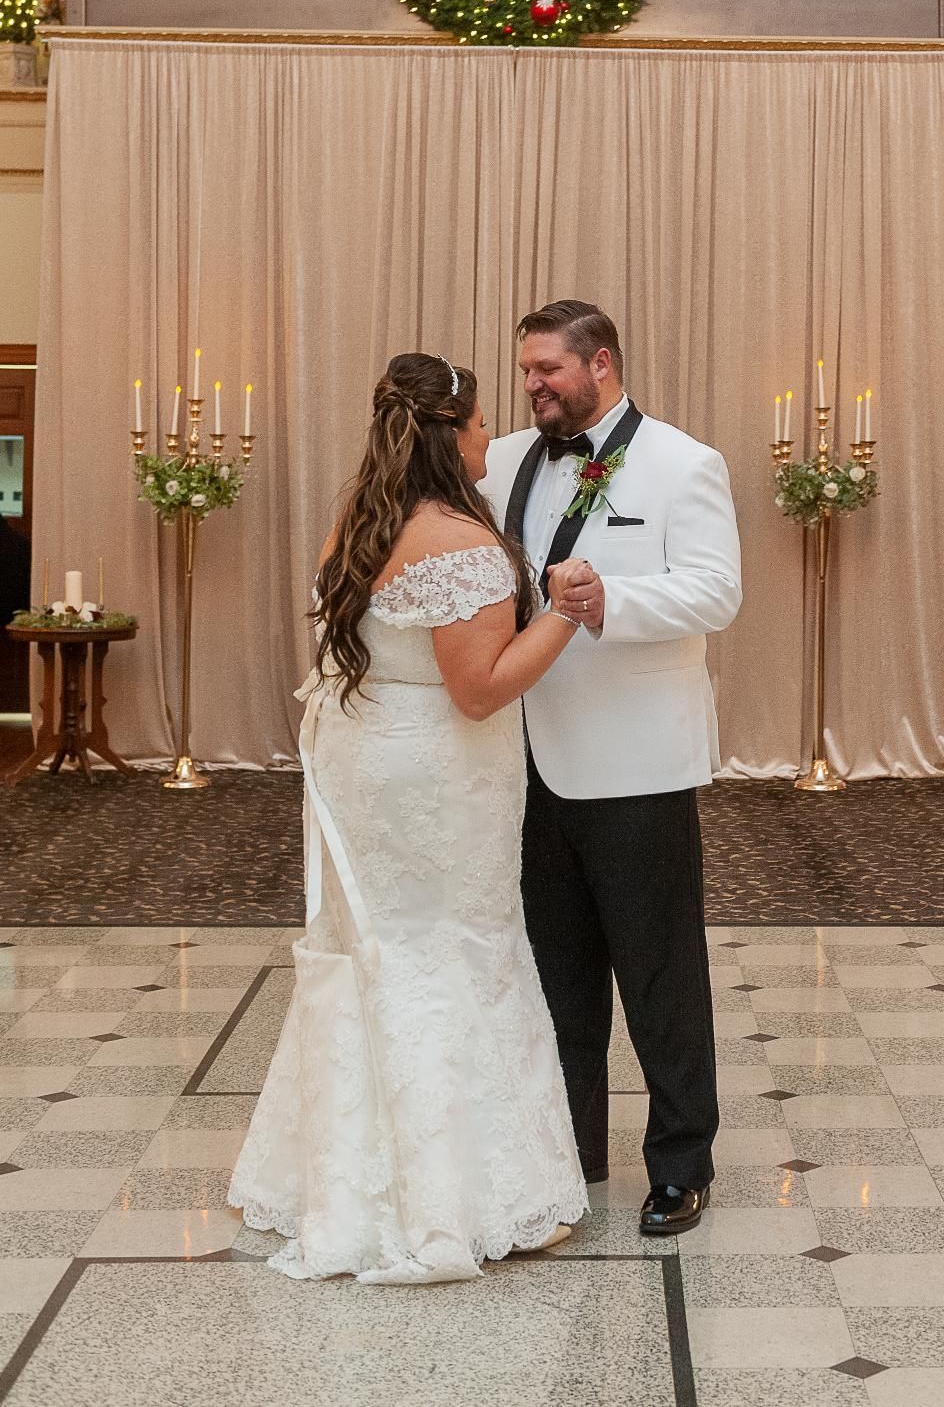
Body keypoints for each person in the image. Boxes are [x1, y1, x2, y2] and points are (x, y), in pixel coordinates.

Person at [228, 352, 590, 1283]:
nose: (488, 438)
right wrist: (562, 611)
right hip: (438, 767)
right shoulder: (459, 542)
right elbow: (480, 689)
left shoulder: (361, 519)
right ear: (447, 432)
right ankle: (461, 1196)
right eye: (477, 425)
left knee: (378, 945)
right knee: (454, 946)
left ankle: (349, 1172)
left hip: (363, 752)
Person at [483, 300, 743, 1238]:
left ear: (601, 362)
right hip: (522, 758)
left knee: (659, 974)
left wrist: (611, 597)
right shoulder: (507, 458)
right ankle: (568, 1151)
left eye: (547, 368)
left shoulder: (684, 462)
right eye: (525, 371)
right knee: (556, 973)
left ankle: (680, 1164)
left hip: (637, 764)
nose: (532, 386)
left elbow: (717, 590)